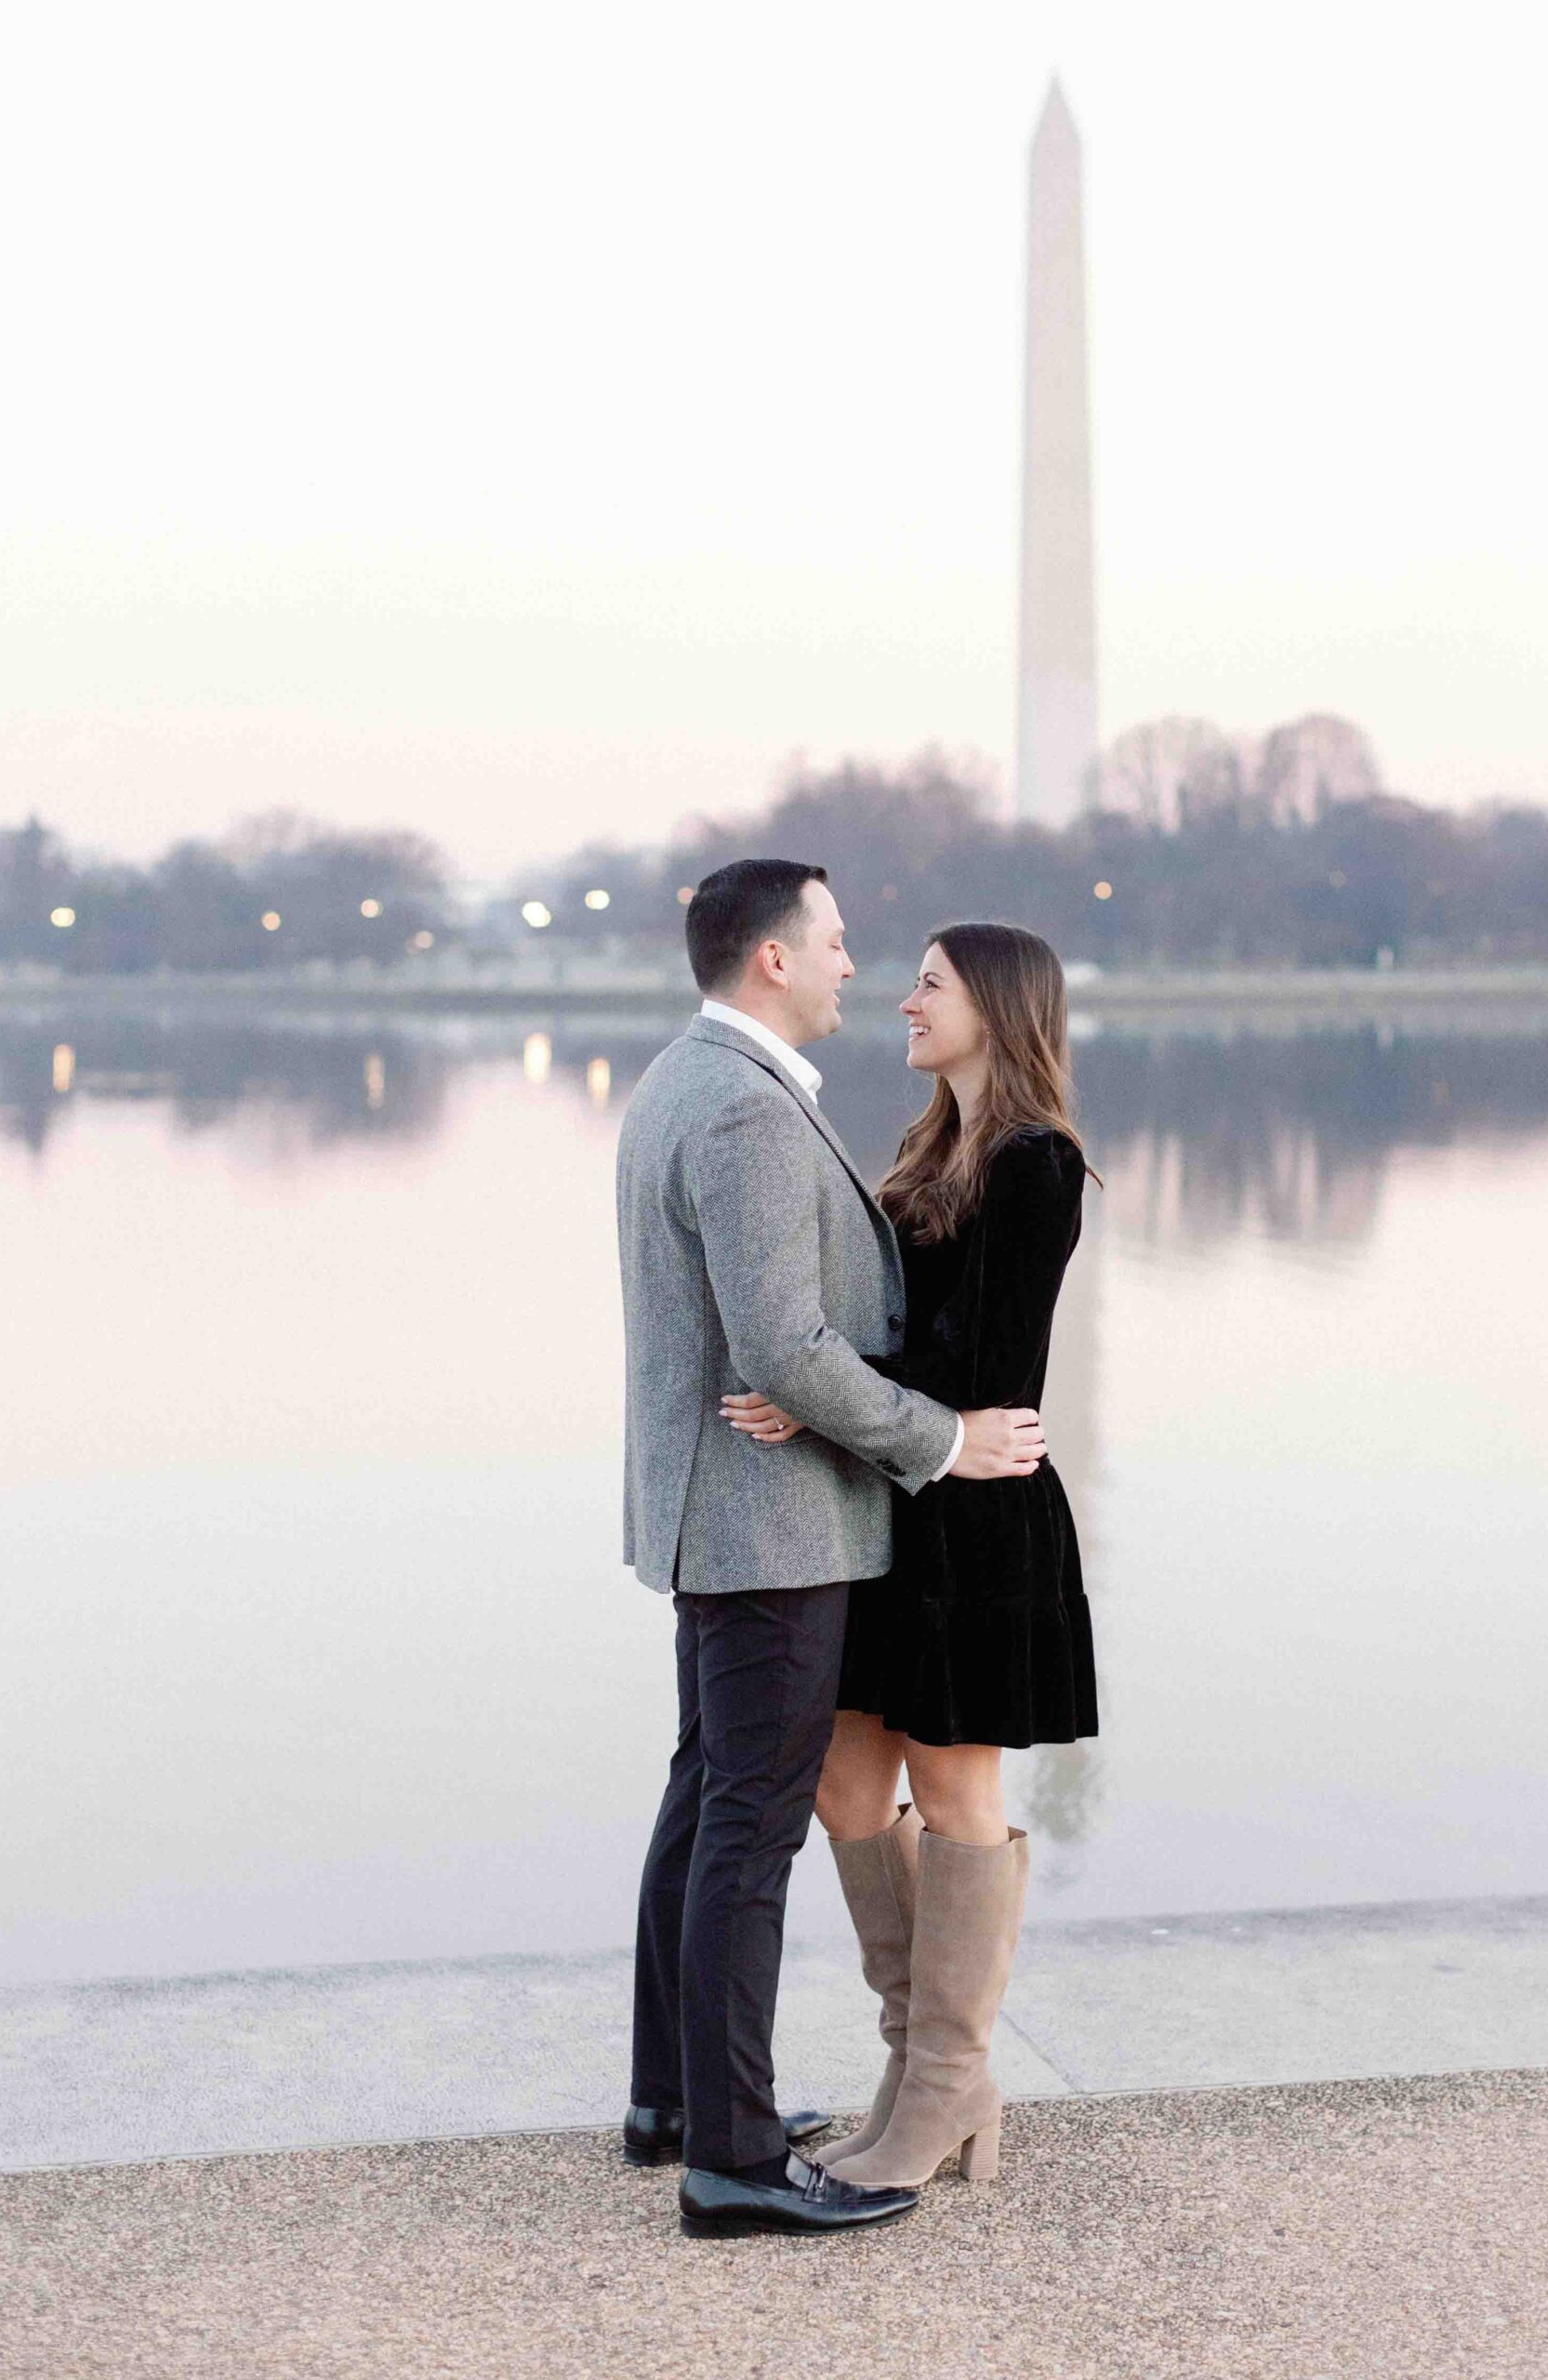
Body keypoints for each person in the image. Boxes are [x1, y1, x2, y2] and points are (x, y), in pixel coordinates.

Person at [615, 861, 1050, 2241]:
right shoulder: (743, 1109)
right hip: (774, 1516)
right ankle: (730, 2154)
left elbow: (836, 1346)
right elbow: (784, 1345)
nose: (862, 969)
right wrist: (902, 1424)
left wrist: (828, 1385)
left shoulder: (689, 1083)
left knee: (716, 1800)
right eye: (842, 944)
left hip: (794, 1509)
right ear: (772, 962)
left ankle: (694, 2104)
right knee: (747, 1817)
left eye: (907, 964)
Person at [722, 920, 1098, 2188]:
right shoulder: (923, 1145)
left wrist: (819, 1389)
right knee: (844, 1783)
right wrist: (832, 1385)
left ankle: (945, 2086)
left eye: (928, 985)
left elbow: (980, 1370)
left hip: (980, 1516)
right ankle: (918, 2066)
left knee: (954, 1799)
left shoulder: (1037, 1163)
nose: (903, 1001)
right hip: (892, 1501)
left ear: (996, 1003)